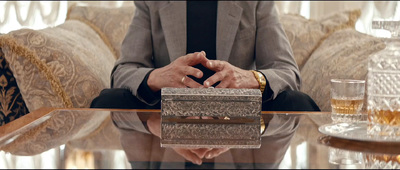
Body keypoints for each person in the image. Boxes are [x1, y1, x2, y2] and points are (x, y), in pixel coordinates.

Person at [90, 1, 320, 168]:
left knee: (299, 101)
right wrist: (159, 77)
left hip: (238, 113)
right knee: (109, 98)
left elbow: (287, 72)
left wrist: (247, 78)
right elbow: (123, 72)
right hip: (167, 111)